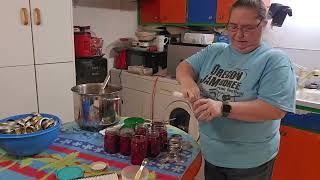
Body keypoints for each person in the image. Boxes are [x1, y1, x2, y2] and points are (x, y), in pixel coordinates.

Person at [176, 0, 296, 180]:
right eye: (233, 26)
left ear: (263, 24)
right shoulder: (215, 50)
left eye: (247, 28)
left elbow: (274, 109)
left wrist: (222, 108)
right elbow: (184, 67)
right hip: (212, 153)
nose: (239, 35)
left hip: (250, 162)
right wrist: (187, 82)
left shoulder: (274, 60)